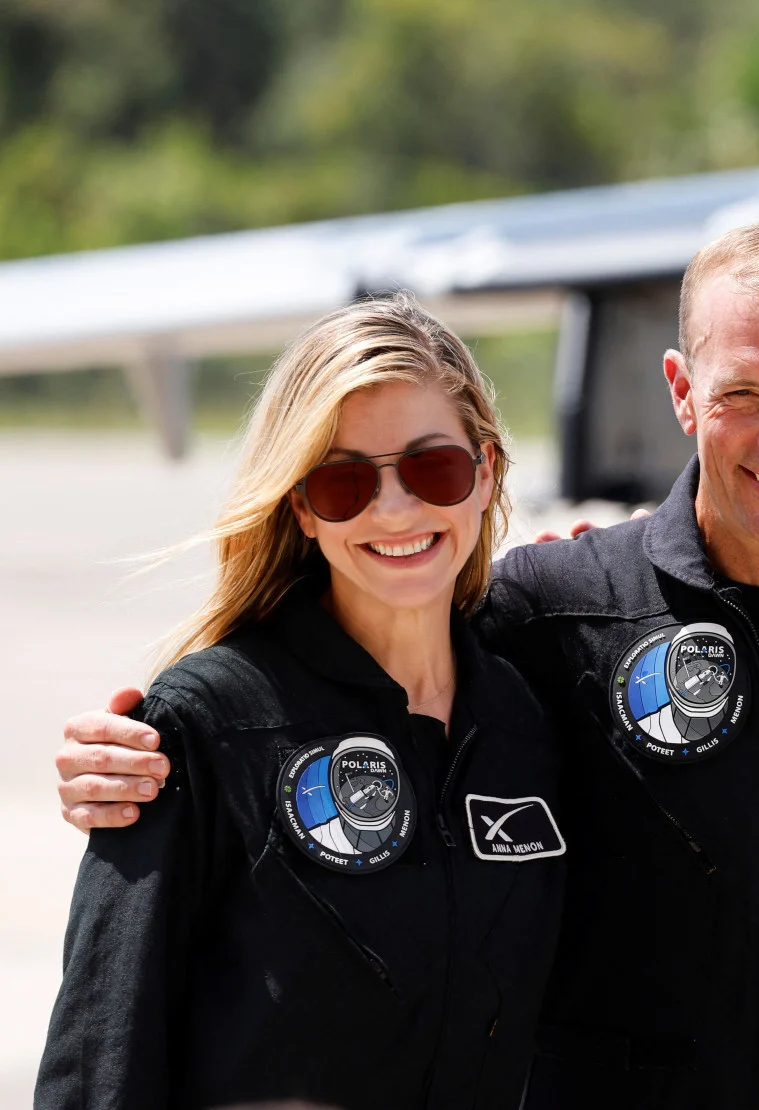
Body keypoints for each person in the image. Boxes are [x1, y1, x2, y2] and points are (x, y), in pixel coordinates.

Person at [52, 220, 759, 1109]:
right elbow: (107, 1043)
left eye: (435, 473)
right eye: (741, 394)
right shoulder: (555, 617)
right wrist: (149, 748)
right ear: (680, 392)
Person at [36, 295, 567, 1109]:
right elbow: (100, 1060)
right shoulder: (204, 726)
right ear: (300, 507)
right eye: (343, 481)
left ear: (486, 471)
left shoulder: (532, 721)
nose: (394, 510)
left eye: (435, 468)